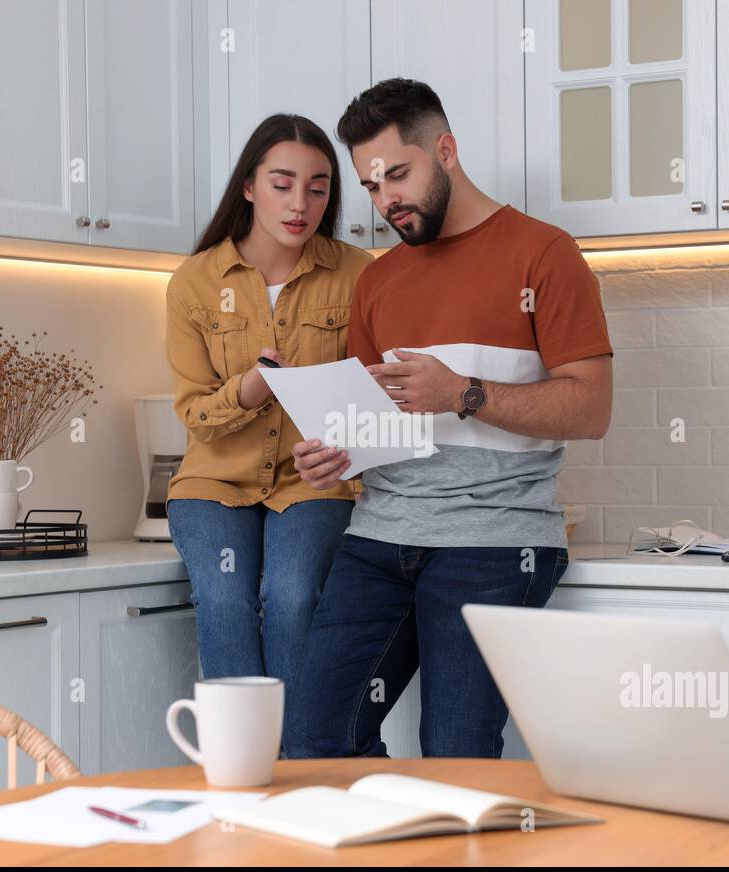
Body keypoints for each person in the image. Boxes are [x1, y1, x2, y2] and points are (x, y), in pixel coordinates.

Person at [283, 79, 614, 758]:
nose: (386, 201)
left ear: (447, 150)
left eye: (398, 175)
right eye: (372, 187)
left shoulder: (545, 255)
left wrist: (464, 392)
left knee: (457, 758)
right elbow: (377, 423)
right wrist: (333, 455)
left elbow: (592, 405)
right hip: (379, 536)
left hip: (495, 540)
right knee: (314, 741)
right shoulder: (377, 280)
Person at [165, 114, 371, 681]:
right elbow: (195, 417)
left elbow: (378, 395)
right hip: (214, 483)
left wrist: (344, 450)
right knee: (226, 598)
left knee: (293, 594)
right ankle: (242, 764)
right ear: (250, 187)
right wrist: (249, 390)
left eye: (317, 187)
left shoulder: (359, 275)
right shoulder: (194, 282)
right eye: (281, 185)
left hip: (313, 481)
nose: (299, 203)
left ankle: (293, 760)